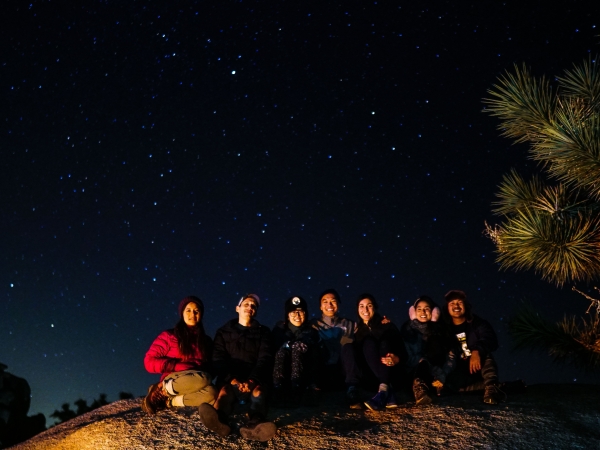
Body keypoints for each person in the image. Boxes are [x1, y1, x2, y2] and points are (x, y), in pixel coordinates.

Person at [143, 296, 220, 427]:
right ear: (182, 313)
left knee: (212, 393)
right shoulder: (170, 336)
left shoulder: (206, 341)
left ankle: (169, 402)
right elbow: (149, 362)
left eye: (196, 311)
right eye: (188, 310)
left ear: (201, 314)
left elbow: (212, 365)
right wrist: (176, 365)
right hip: (176, 378)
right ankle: (163, 389)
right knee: (204, 378)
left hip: (195, 382)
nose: (192, 314)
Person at [207, 294, 276, 442]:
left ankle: (255, 425)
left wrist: (252, 380)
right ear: (237, 308)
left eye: (253, 306)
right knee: (224, 393)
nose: (250, 307)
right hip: (231, 379)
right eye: (246, 304)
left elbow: (265, 358)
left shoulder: (264, 332)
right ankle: (220, 421)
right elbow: (218, 359)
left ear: (255, 311)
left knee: (259, 393)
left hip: (254, 378)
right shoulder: (223, 332)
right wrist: (232, 380)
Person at [441, 290, 506, 404]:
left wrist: (477, 351)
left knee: (486, 355)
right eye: (452, 303)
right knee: (450, 388)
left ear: (465, 305)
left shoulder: (477, 323)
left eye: (459, 302)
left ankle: (491, 387)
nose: (456, 306)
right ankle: (496, 387)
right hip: (460, 368)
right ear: (447, 307)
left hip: (478, 365)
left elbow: (491, 340)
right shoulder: (445, 329)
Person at [346, 293, 404, 411]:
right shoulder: (357, 332)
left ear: (375, 307)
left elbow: (402, 350)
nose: (365, 310)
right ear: (357, 309)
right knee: (366, 343)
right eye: (361, 306)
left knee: (384, 342)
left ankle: (383, 391)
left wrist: (397, 358)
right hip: (371, 378)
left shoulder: (386, 325)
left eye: (369, 305)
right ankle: (389, 392)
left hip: (391, 372)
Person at [401, 296, 455, 405]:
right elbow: (405, 356)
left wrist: (442, 374)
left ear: (434, 312)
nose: (423, 312)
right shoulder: (407, 330)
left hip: (438, 374)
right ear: (414, 312)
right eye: (419, 309)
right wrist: (422, 362)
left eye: (427, 308)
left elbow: (451, 357)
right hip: (413, 371)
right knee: (423, 363)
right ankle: (419, 389)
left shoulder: (442, 331)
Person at [310, 289, 359, 404]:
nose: (329, 305)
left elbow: (368, 330)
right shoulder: (313, 325)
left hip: (343, 373)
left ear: (338, 304)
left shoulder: (351, 325)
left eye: (333, 301)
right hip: (323, 372)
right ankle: (312, 389)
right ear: (320, 307)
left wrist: (381, 322)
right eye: (325, 302)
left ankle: (352, 389)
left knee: (348, 346)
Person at [271, 295, 320, 406]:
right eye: (293, 312)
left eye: (300, 312)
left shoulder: (312, 332)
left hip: (304, 377)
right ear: (287, 316)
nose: (297, 316)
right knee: (281, 351)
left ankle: (298, 388)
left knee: (299, 346)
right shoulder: (279, 331)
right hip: (284, 375)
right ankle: (278, 388)